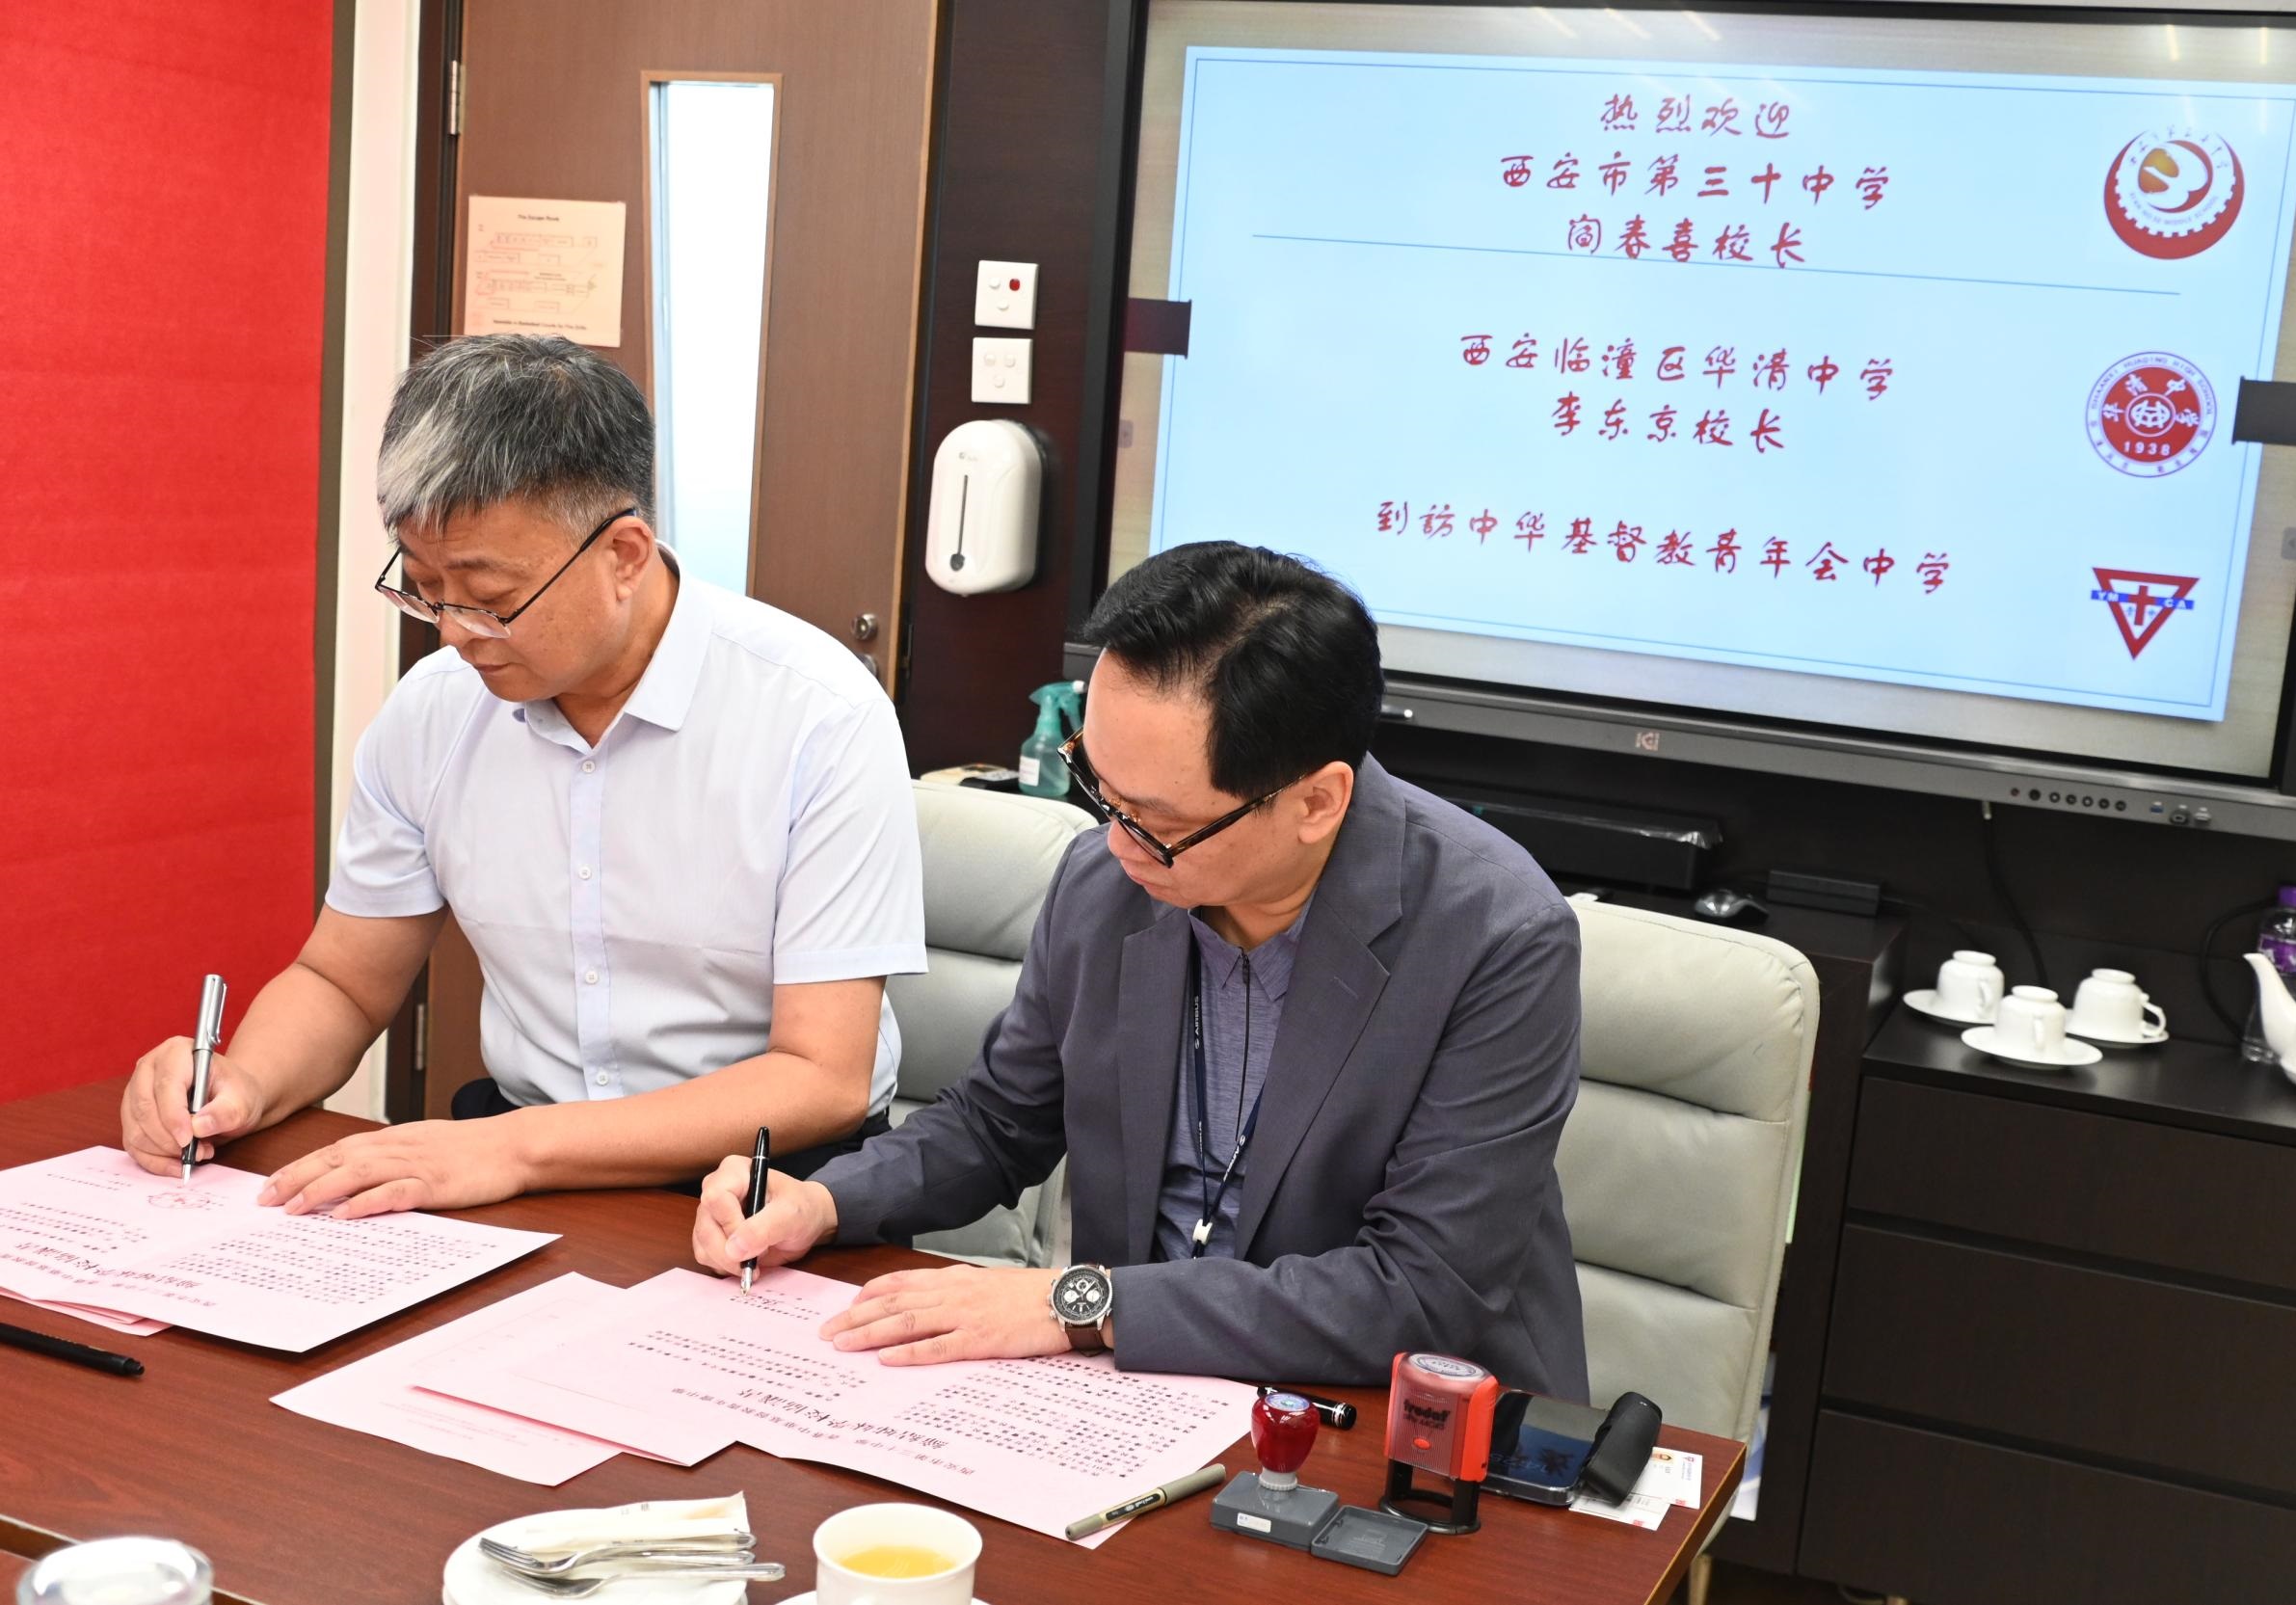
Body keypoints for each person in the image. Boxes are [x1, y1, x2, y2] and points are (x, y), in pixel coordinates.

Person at [691, 542, 1586, 1394]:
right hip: (1138, 1388)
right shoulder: (1106, 881)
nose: (1115, 842)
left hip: (1392, 1416)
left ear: (1317, 801)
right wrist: (821, 1201)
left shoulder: (1496, 935)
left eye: (1157, 820)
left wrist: (1078, 1304)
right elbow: (998, 1122)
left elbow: (1421, 1287)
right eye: (1098, 787)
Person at [117, 334, 924, 1217]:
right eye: (425, 587)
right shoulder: (432, 712)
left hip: (771, 1186)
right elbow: (342, 981)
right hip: (517, 1163)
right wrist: (244, 1083)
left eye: (492, 599)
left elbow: (823, 1075)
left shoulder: (818, 715)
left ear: (625, 554)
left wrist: (512, 1148)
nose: (453, 632)